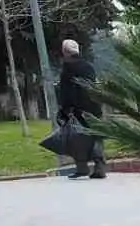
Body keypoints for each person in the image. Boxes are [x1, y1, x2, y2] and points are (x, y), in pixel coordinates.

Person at [56, 39, 107, 180]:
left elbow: (66, 91)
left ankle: (82, 167)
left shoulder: (67, 68)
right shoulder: (88, 66)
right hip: (94, 107)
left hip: (77, 108)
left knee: (77, 137)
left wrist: (65, 109)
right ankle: (99, 166)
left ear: (66, 52)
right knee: (96, 136)